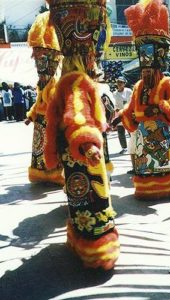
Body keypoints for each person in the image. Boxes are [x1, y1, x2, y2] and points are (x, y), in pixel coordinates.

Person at [44, 0, 119, 270]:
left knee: (79, 200)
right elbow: (77, 117)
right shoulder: (78, 81)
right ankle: (96, 248)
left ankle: (80, 238)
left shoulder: (66, 80)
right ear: (86, 55)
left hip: (71, 156)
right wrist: (88, 145)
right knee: (93, 202)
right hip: (85, 154)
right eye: (92, 54)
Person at [114, 0, 170, 200]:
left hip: (162, 132)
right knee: (146, 166)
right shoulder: (138, 86)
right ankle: (147, 190)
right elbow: (130, 109)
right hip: (142, 135)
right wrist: (118, 118)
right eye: (144, 69)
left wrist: (158, 109)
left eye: (149, 69)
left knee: (167, 164)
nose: (146, 72)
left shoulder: (168, 83)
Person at [25, 11, 64, 185]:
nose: (38, 65)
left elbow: (55, 103)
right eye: (37, 62)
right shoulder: (41, 82)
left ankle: (55, 174)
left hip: (51, 122)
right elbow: (38, 102)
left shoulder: (54, 82)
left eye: (41, 62)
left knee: (52, 149)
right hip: (41, 123)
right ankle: (41, 175)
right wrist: (31, 115)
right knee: (39, 150)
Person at [113, 76, 133, 154]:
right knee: (121, 132)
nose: (119, 84)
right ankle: (124, 148)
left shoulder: (129, 91)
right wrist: (116, 109)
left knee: (131, 131)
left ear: (124, 83)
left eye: (121, 82)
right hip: (119, 114)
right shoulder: (114, 93)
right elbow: (114, 105)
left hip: (129, 114)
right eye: (118, 82)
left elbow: (133, 101)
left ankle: (134, 146)